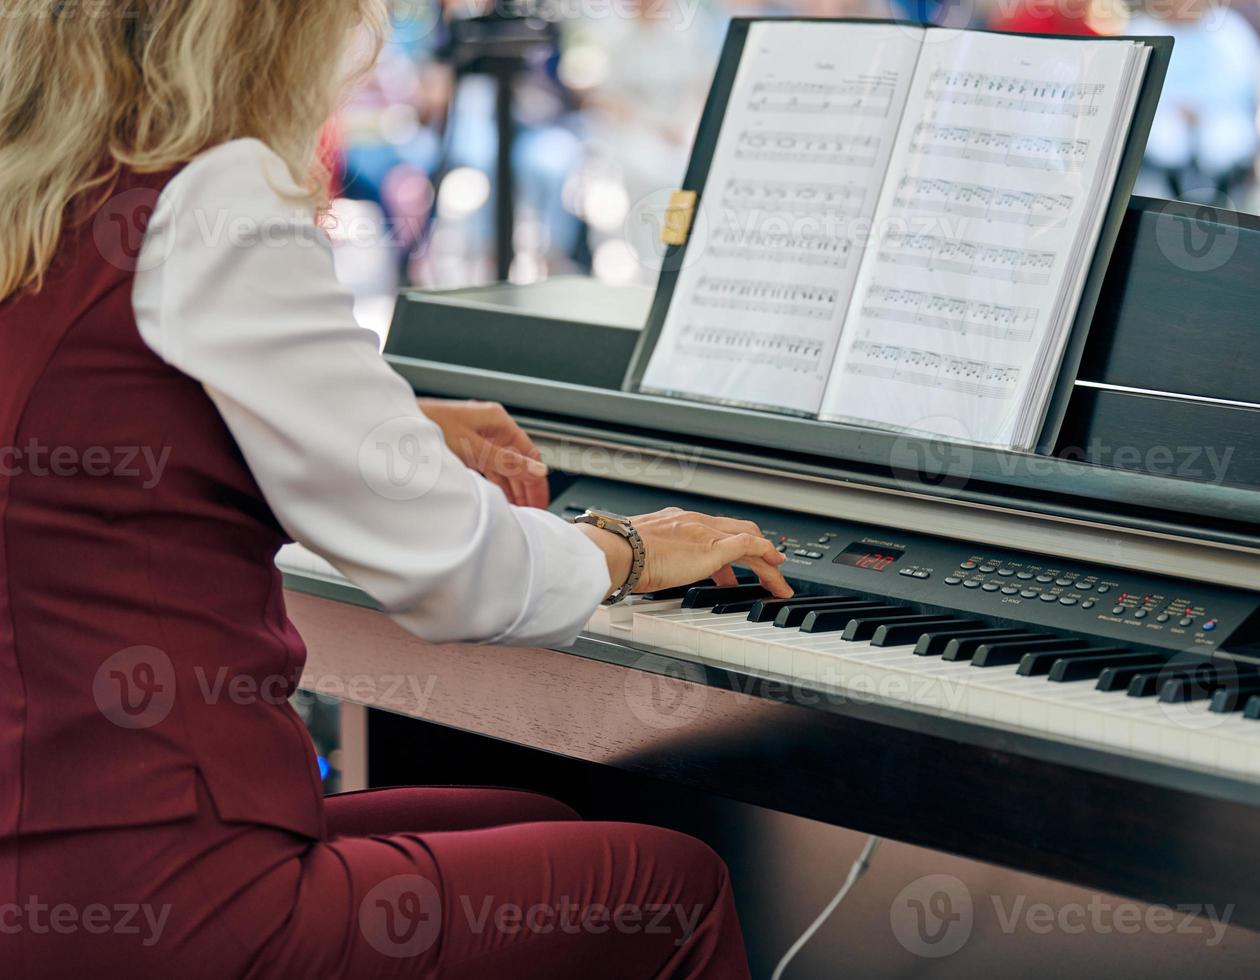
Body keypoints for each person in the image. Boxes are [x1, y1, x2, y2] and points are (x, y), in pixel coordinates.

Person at [0, 1, 793, 977]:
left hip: (42, 850)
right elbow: (463, 571)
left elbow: (104, 417)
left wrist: (396, 424)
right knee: (666, 888)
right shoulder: (210, 196)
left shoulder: (46, 193)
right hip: (169, 891)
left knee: (535, 819)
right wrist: (628, 546)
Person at [1128, 0, 1260, 203]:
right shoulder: (1139, 32)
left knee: (1227, 136)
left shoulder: (1231, 32)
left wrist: (1201, 111)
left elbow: (1245, 91)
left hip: (1220, 128)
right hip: (1157, 146)